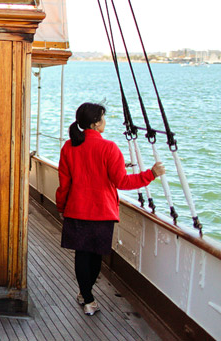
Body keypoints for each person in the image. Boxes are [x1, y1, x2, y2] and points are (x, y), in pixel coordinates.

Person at [56, 102, 165, 316]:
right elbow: (122, 182)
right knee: (96, 256)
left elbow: (64, 184)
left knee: (81, 255)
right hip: (102, 213)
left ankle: (87, 298)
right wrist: (151, 174)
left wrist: (61, 207)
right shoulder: (109, 148)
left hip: (76, 210)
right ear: (96, 124)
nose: (105, 122)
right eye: (103, 119)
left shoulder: (69, 147)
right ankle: (86, 296)